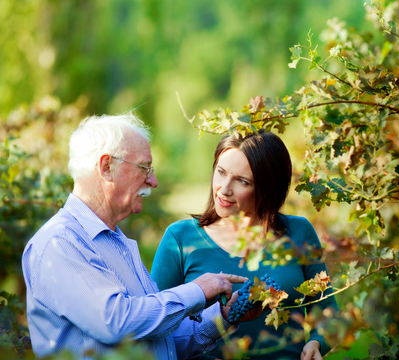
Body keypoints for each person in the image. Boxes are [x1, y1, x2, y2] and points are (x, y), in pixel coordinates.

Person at [22, 114, 261, 360]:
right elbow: (116, 323)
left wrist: (222, 316)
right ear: (106, 167)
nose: (153, 181)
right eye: (144, 168)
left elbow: (156, 344)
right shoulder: (60, 242)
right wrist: (198, 290)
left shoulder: (115, 241)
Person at [150, 130, 338, 360]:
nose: (224, 189)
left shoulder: (300, 233)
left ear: (267, 188)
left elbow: (329, 313)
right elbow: (156, 324)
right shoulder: (180, 239)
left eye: (242, 181)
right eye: (221, 172)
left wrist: (317, 342)